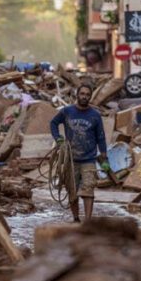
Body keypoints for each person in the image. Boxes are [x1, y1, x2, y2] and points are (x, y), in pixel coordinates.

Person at [49, 84, 107, 222]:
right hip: (71, 159)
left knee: (88, 190)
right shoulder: (67, 111)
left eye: (87, 94)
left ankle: (87, 221)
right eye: (82, 94)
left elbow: (101, 137)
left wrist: (104, 156)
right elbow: (53, 123)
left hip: (89, 159)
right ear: (77, 95)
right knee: (72, 191)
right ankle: (76, 218)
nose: (84, 97)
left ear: (90, 97)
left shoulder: (95, 115)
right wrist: (58, 139)